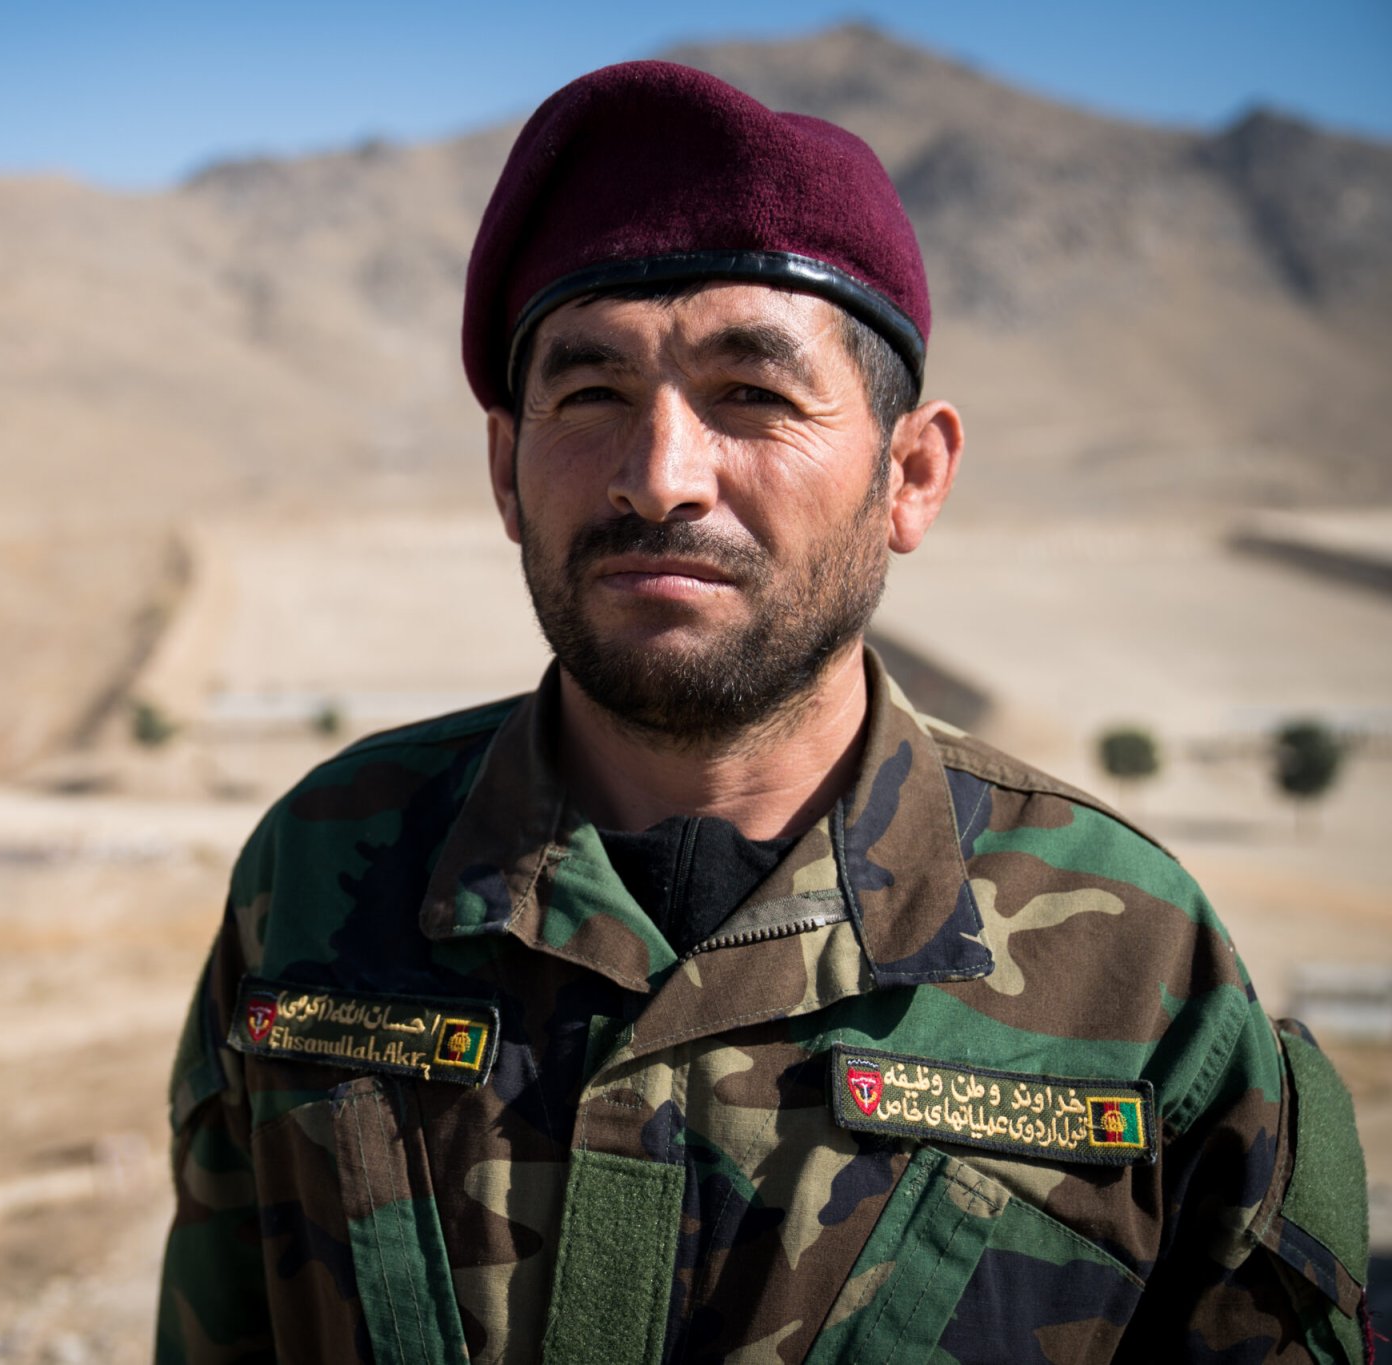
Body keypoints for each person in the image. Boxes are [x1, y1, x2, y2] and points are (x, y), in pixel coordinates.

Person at [155, 60, 1370, 1364]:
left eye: (755, 395)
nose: (660, 476)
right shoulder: (321, 874)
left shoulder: (1136, 968)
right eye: (591, 395)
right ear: (507, 471)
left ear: (911, 475)